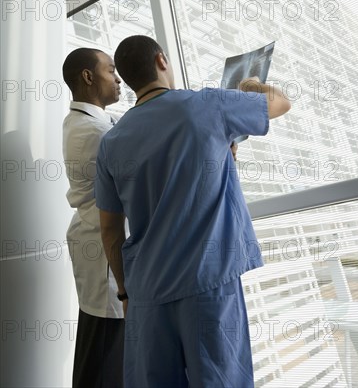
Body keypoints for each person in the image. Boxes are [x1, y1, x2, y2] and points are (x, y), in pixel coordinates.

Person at [95, 35, 291, 388]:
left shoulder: (111, 142)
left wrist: (125, 294)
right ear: (161, 61)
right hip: (208, 284)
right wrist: (251, 84)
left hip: (147, 294)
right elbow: (280, 103)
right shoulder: (206, 106)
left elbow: (109, 229)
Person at [62, 47, 125, 388]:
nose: (118, 79)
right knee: (102, 360)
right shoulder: (92, 132)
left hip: (100, 249)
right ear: (88, 77)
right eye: (111, 70)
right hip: (102, 255)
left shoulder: (94, 121)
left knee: (104, 354)